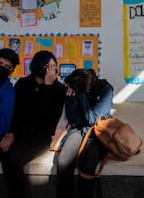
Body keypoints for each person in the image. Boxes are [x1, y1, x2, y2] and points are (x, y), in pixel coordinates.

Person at [0, 50, 66, 198]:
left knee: (12, 162)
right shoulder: (23, 83)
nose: (51, 69)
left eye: (54, 65)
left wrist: (48, 86)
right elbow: (15, 112)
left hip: (40, 135)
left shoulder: (60, 89)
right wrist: (10, 133)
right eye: (48, 65)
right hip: (17, 131)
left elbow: (46, 118)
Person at [55, 68, 114, 198]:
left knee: (86, 165)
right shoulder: (76, 88)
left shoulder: (105, 90)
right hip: (79, 130)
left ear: (86, 89)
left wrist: (81, 97)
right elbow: (74, 121)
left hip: (98, 133)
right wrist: (70, 100)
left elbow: (92, 120)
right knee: (63, 162)